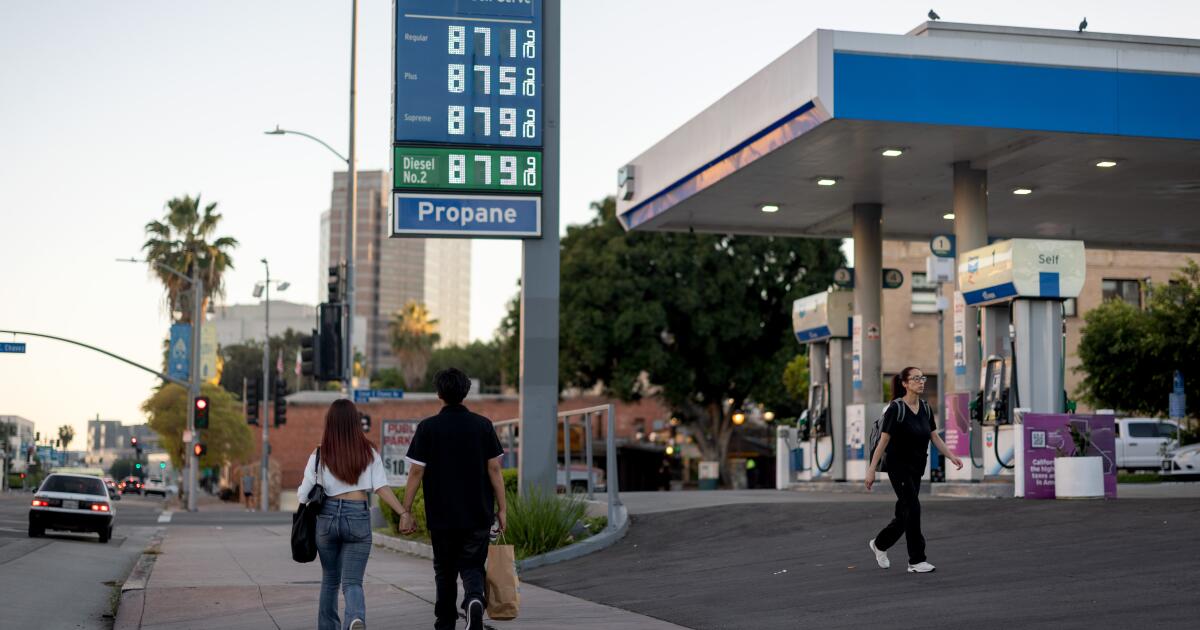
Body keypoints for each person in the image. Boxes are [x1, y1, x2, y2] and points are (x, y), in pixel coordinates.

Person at [400, 368, 507, 630]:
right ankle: (474, 600)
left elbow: (416, 471)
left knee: (445, 569)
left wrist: (406, 510)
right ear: (465, 392)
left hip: (442, 515)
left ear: (439, 394)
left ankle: (445, 620)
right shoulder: (483, 425)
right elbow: (494, 469)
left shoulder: (427, 428)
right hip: (478, 513)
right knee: (472, 565)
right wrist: (502, 508)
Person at [298, 399, 408, 630]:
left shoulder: (319, 454)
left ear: (330, 423)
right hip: (357, 516)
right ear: (356, 423)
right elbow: (381, 488)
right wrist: (403, 512)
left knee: (330, 579)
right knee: (352, 581)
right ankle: (355, 618)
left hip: (326, 519)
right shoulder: (369, 452)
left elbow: (303, 495)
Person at [865, 367, 963, 573]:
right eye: (916, 378)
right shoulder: (895, 409)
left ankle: (880, 544)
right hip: (897, 466)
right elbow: (883, 441)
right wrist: (871, 470)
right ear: (905, 384)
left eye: (923, 377)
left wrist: (951, 456)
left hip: (917, 466)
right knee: (913, 508)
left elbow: (934, 436)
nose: (921, 382)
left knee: (904, 514)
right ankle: (916, 560)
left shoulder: (926, 408)